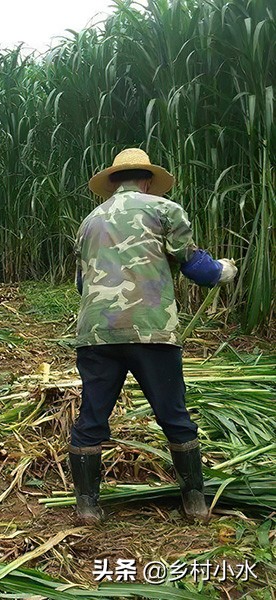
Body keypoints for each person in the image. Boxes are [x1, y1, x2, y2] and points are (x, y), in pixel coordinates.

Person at [70, 148, 238, 524]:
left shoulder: (89, 221)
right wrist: (222, 271)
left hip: (97, 333)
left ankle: (87, 507)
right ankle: (194, 503)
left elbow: (83, 282)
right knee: (174, 415)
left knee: (91, 418)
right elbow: (193, 263)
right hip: (151, 331)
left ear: (114, 182)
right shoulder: (164, 210)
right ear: (146, 180)